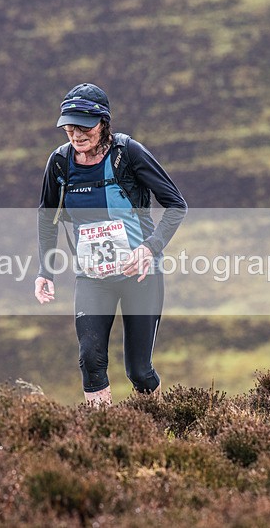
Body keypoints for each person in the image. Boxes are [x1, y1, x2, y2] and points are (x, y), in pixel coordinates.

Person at [35, 83, 187, 407]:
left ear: (103, 123)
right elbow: (47, 218)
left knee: (139, 371)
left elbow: (177, 205)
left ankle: (157, 426)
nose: (76, 135)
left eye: (84, 126)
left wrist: (149, 248)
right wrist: (45, 271)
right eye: (69, 127)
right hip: (93, 277)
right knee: (90, 360)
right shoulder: (60, 163)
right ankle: (102, 432)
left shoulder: (128, 154)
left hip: (140, 275)